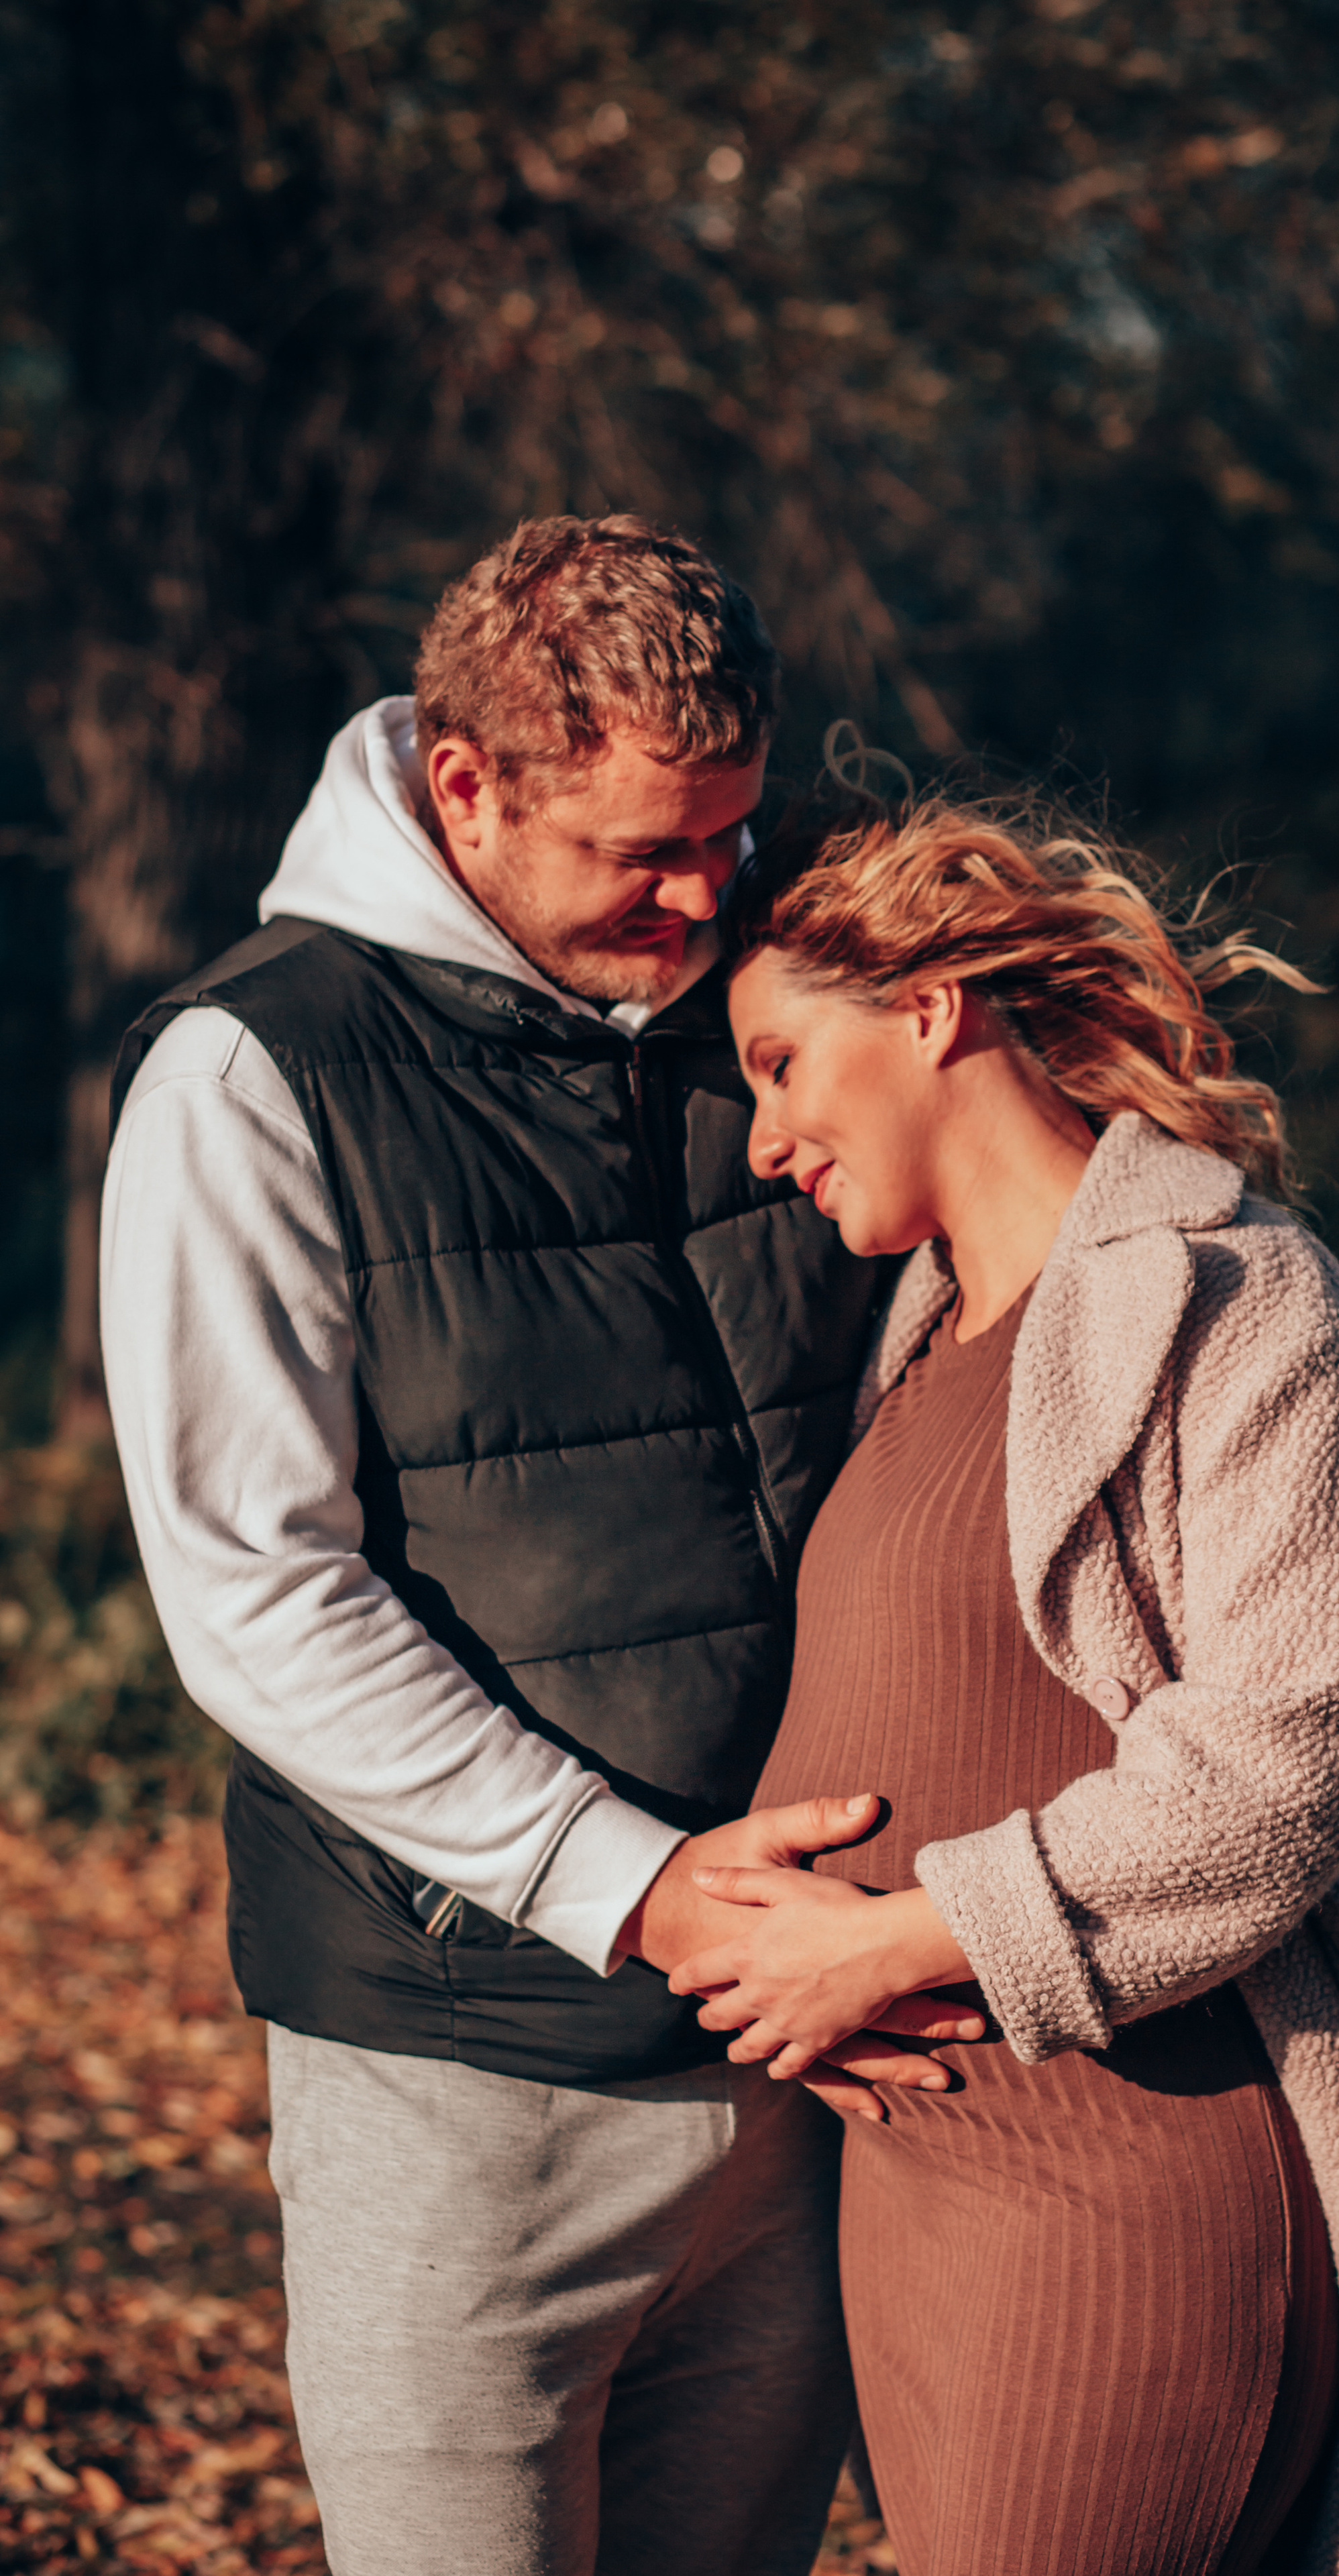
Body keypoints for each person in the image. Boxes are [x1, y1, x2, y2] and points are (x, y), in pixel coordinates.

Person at [98, 517, 977, 2576]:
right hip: (464, 2068)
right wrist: (631, 1886)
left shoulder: (774, 975)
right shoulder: (253, 1075)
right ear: (467, 787)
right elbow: (256, 1589)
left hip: (807, 2057)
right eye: (641, 854)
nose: (702, 901)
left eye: (731, 835)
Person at [665, 790, 1339, 2576]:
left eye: (785, 1063)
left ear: (933, 1006)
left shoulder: (1235, 1300)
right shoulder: (910, 1346)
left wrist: (884, 1943)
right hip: (921, 2192)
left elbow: (1276, 1776)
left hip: (1127, 2177)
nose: (766, 1138)